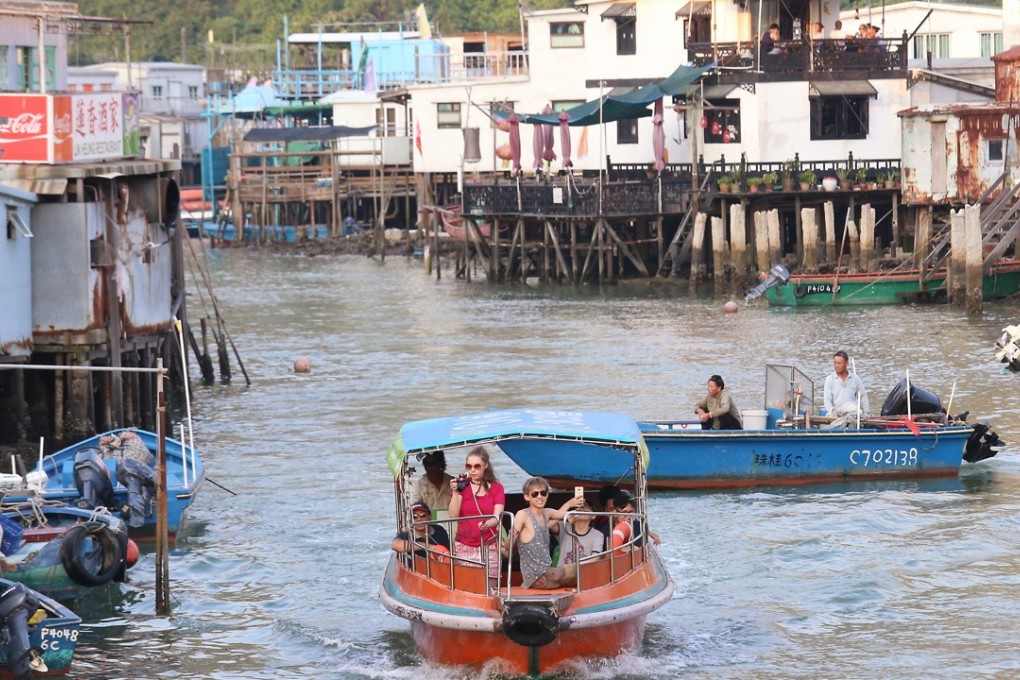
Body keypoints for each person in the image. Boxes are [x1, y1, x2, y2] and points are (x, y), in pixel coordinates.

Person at [506, 477, 584, 588]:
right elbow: (507, 546)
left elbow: (562, 514)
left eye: (543, 493)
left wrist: (571, 505)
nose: (540, 497)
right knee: (572, 571)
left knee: (578, 569)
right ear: (527, 497)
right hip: (535, 576)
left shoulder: (547, 513)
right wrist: (513, 534)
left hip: (548, 571)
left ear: (547, 495)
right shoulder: (522, 514)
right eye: (535, 494)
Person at [448, 446, 505, 578]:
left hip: (488, 543)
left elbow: (497, 516)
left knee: (490, 586)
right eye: (469, 466)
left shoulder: (496, 487)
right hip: (464, 543)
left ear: (485, 465)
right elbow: (453, 514)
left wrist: (487, 524)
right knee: (466, 584)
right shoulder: (463, 485)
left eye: (477, 466)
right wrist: (456, 491)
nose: (472, 470)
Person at [823, 350, 871, 426]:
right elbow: (827, 400)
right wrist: (832, 412)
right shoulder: (830, 379)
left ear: (846, 363)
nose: (836, 366)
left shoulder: (855, 378)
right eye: (835, 363)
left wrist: (867, 413)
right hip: (837, 415)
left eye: (839, 363)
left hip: (853, 414)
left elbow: (863, 396)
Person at [553, 497, 605, 567]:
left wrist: (574, 566)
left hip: (584, 574)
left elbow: (595, 558)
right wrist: (568, 505)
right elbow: (549, 525)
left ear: (593, 516)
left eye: (586, 507)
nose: (583, 509)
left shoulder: (598, 535)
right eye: (580, 507)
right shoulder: (565, 526)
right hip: (562, 575)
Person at [410, 451, 453, 517]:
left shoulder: (453, 483)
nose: (430, 468)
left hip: (452, 523)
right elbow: (414, 506)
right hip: (428, 525)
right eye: (427, 464)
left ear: (441, 463)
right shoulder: (417, 486)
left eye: (434, 463)